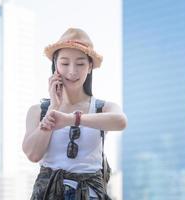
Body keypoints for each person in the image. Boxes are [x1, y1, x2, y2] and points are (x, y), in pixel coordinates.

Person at [22, 28, 128, 200]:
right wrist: (53, 108)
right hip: (48, 193)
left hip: (90, 194)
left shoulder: (103, 108)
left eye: (80, 64)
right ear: (55, 65)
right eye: (64, 63)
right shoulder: (38, 111)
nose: (72, 71)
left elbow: (121, 122)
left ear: (90, 67)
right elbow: (33, 154)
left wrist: (72, 119)